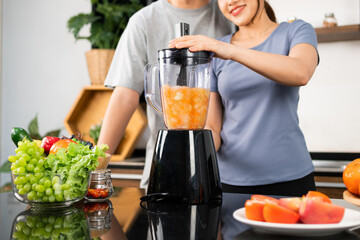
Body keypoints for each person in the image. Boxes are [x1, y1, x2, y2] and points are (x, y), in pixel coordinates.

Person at [169, 0, 319, 197]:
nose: (230, 2)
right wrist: (187, 154)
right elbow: (213, 128)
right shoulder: (217, 50)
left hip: (291, 179)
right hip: (231, 183)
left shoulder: (296, 31)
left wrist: (230, 51)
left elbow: (301, 72)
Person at [97, 0, 235, 190]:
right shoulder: (143, 21)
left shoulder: (231, 14)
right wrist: (97, 167)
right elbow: (124, 97)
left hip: (220, 177)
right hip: (161, 172)